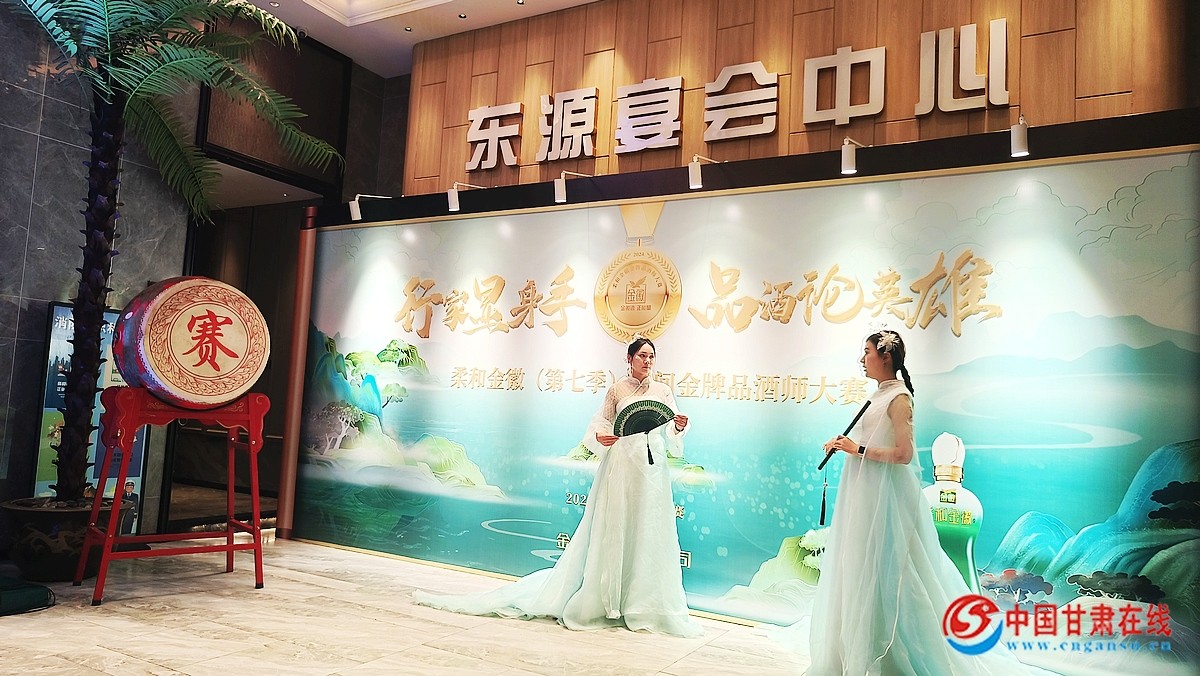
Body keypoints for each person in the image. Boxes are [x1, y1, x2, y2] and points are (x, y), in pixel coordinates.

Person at [414, 336, 703, 638]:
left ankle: (645, 603)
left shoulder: (662, 391)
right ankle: (608, 599)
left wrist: (679, 427)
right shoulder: (616, 390)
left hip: (652, 469)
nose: (647, 361)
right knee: (617, 526)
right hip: (621, 465)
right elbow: (599, 426)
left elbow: (672, 428)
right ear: (629, 359)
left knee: (650, 528)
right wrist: (601, 437)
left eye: (651, 356)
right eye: (642, 355)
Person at [806, 330, 1052, 674]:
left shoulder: (899, 398)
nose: (862, 359)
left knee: (889, 567)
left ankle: (889, 649)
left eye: (867, 352)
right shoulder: (879, 395)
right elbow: (876, 440)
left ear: (885, 357)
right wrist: (845, 443)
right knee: (859, 564)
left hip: (883, 500)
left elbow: (904, 454)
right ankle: (853, 647)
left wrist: (856, 448)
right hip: (864, 495)